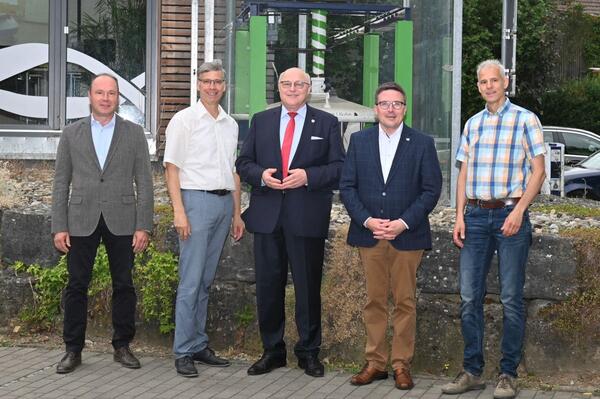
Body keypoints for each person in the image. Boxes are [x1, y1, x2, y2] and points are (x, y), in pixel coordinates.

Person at [441, 59, 546, 399]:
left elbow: (539, 171)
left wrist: (519, 210)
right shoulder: (472, 124)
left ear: (506, 81)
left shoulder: (525, 119)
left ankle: (507, 374)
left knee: (511, 298)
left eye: (494, 80)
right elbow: (463, 174)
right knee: (469, 297)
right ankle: (472, 371)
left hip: (510, 215)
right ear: (478, 86)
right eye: (482, 82)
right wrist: (459, 216)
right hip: (474, 216)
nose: (488, 86)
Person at [236, 67, 344, 378]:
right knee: (268, 287)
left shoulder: (327, 123)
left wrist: (309, 176)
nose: (293, 89)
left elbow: (340, 167)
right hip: (268, 216)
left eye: (299, 84)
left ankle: (309, 353)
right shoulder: (262, 120)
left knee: (308, 289)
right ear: (278, 88)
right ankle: (272, 351)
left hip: (306, 217)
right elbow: (243, 163)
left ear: (309, 89)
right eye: (287, 83)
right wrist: (262, 176)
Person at [339, 82, 442, 390]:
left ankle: (401, 364)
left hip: (406, 237)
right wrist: (368, 220)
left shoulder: (422, 143)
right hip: (370, 235)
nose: (391, 109)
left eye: (397, 104)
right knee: (374, 301)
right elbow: (348, 187)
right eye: (385, 104)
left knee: (405, 302)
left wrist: (403, 222)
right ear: (375, 109)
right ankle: (375, 363)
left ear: (405, 108)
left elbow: (431, 190)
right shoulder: (359, 141)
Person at [51, 73, 154, 374]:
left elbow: (145, 184)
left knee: (124, 284)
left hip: (122, 220)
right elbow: (60, 183)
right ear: (90, 96)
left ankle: (122, 345)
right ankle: (73, 350)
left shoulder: (134, 133)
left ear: (118, 97)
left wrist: (143, 225)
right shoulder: (71, 133)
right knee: (76, 285)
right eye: (100, 92)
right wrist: (59, 225)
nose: (106, 98)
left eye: (111, 93)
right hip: (80, 219)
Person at [163, 61, 244, 378]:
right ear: (198, 85)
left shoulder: (230, 124)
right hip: (195, 202)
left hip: (224, 205)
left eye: (218, 82)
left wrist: (237, 212)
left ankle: (198, 344)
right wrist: (179, 211)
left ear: (225, 86)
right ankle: (183, 351)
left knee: (206, 281)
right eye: (207, 81)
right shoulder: (184, 121)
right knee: (191, 281)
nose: (212, 87)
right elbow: (172, 168)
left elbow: (234, 171)